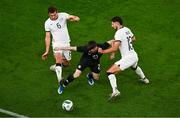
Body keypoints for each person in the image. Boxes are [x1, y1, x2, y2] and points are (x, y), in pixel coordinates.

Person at [98, 16, 149, 100]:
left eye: (112, 24)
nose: (112, 26)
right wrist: (124, 43)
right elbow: (134, 38)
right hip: (134, 55)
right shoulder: (127, 29)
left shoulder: (118, 33)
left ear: (117, 23)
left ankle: (115, 91)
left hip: (128, 58)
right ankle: (144, 79)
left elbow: (115, 47)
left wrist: (103, 52)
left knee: (109, 72)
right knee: (134, 67)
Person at [42, 6, 80, 83]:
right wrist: (47, 50)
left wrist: (75, 18)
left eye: (54, 15)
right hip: (56, 44)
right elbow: (47, 37)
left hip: (66, 43)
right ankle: (60, 79)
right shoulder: (47, 23)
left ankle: (56, 67)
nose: (53, 17)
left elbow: (72, 17)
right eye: (51, 15)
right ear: (48, 14)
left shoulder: (63, 15)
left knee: (67, 63)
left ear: (57, 12)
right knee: (58, 59)